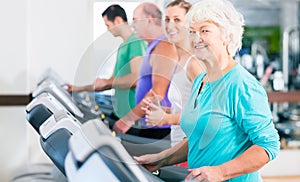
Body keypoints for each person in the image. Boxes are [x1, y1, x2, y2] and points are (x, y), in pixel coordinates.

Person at [134, 0, 280, 181]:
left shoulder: (241, 84)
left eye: (204, 30)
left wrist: (220, 172)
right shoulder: (200, 82)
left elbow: (268, 146)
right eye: (192, 32)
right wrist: (161, 159)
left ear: (227, 36)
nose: (196, 38)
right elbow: (199, 137)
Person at [65, 4, 147, 119]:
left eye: (108, 25)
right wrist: (77, 88)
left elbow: (136, 79)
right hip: (120, 112)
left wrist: (106, 82)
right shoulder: (122, 46)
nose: (108, 30)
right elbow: (111, 82)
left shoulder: (136, 42)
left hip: (131, 114)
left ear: (118, 20)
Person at [142, 0, 203, 148]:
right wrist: (164, 111)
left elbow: (206, 116)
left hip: (192, 150)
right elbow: (187, 108)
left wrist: (166, 118)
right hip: (177, 147)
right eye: (167, 20)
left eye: (177, 20)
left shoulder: (194, 64)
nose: (170, 26)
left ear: (190, 24)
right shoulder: (179, 61)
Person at [113, 2, 178, 139]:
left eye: (135, 20)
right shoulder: (152, 46)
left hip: (162, 128)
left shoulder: (164, 46)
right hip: (150, 124)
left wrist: (128, 119)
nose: (132, 25)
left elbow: (157, 93)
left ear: (149, 20)